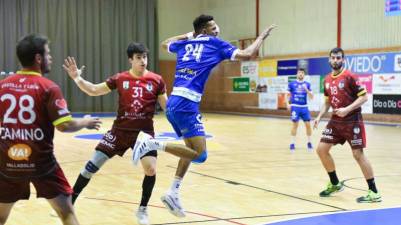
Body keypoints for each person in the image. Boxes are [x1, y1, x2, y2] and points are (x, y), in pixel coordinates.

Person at [131, 14, 277, 217]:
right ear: (205, 31)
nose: (217, 30)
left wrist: (191, 35)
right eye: (213, 27)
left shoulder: (185, 44)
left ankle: (173, 191)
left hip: (174, 103)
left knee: (190, 150)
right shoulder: (215, 44)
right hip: (186, 104)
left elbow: (165, 44)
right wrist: (262, 37)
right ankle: (151, 143)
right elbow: (248, 54)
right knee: (200, 154)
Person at [62, 42, 175, 225]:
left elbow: (167, 107)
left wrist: (183, 117)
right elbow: (93, 90)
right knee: (91, 166)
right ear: (131, 59)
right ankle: (69, 205)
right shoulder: (120, 78)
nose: (143, 61)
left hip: (144, 134)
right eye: (138, 58)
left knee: (151, 169)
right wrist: (77, 78)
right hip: (119, 131)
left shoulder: (157, 80)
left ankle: (142, 210)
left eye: (145, 57)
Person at [0, 34, 101, 225]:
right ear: (38, 58)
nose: (51, 58)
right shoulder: (48, 87)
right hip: (42, 163)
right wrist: (85, 122)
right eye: (48, 53)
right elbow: (64, 125)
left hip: (8, 161)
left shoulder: (3, 86)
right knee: (67, 213)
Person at [313, 47, 381, 203]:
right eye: (333, 58)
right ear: (329, 60)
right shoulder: (327, 79)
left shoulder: (350, 76)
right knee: (321, 150)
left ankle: (374, 191)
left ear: (343, 60)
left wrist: (347, 109)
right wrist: (319, 117)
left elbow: (363, 98)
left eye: (338, 58)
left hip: (352, 120)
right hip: (336, 121)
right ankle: (335, 183)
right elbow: (327, 102)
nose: (335, 60)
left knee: (358, 155)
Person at [286, 68, 313, 152]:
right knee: (295, 125)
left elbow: (312, 97)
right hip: (295, 107)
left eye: (302, 73)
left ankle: (309, 142)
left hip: (304, 107)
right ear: (297, 74)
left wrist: (307, 90)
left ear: (304, 75)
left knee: (308, 125)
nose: (300, 74)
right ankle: (292, 143)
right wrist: (287, 103)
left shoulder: (307, 84)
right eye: (299, 73)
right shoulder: (292, 84)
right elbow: (287, 94)